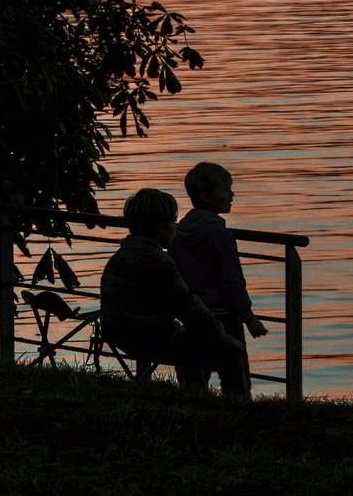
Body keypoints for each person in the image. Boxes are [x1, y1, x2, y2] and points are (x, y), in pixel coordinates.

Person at [99, 187, 249, 396]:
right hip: (144, 335)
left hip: (117, 332)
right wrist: (226, 338)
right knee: (231, 352)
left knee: (189, 341)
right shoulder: (159, 262)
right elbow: (189, 307)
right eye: (173, 221)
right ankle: (234, 408)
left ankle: (194, 394)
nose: (176, 228)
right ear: (162, 227)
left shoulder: (120, 256)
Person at [173, 162, 269, 392]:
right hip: (224, 319)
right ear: (206, 196)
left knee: (195, 378)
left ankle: (196, 412)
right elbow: (231, 280)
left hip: (193, 315)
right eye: (226, 190)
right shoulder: (220, 235)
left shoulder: (178, 234)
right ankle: (239, 417)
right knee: (236, 376)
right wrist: (248, 316)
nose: (232, 194)